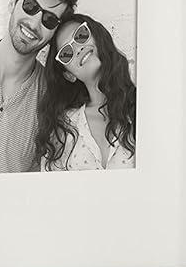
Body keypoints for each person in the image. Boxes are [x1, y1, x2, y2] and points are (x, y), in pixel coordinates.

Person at [0, 0, 79, 173]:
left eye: (49, 20)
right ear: (13, 2)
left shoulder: (51, 101)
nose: (34, 23)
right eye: (30, 6)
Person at [36, 14, 136, 171]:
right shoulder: (63, 130)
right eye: (66, 53)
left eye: (81, 35)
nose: (78, 48)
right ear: (69, 74)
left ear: (97, 37)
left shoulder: (143, 104)